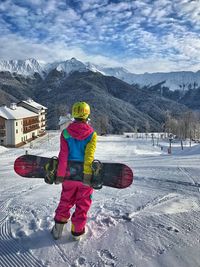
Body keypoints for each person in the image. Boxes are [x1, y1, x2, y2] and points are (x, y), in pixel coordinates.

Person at [51, 101, 97, 240]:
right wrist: (88, 176)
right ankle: (77, 232)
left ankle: (58, 229)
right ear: (87, 114)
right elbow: (89, 157)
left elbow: (63, 156)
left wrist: (60, 175)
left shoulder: (65, 133)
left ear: (74, 114)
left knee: (65, 200)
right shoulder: (92, 134)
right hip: (84, 177)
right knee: (83, 203)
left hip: (68, 175)